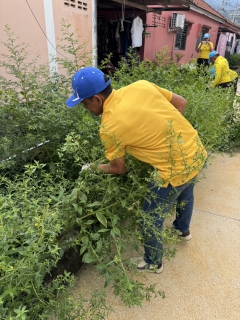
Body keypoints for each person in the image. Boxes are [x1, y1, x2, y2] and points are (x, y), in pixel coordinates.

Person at [66, 67, 207, 274]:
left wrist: (92, 168)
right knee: (186, 192)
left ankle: (153, 262)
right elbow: (181, 103)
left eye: (84, 103)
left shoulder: (109, 127)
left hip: (173, 169)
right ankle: (182, 229)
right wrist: (166, 133)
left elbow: (118, 168)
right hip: (196, 151)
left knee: (149, 217)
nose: (85, 107)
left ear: (97, 99)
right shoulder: (141, 86)